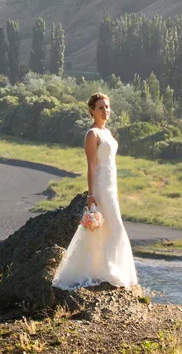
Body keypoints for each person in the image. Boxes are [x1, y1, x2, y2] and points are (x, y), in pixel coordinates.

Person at [51, 93, 139, 289]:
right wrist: (91, 195)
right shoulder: (93, 134)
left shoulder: (107, 133)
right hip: (99, 188)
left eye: (107, 107)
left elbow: (111, 164)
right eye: (100, 108)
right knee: (114, 229)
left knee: (109, 230)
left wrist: (115, 190)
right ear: (92, 111)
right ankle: (106, 270)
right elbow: (91, 166)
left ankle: (103, 269)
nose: (105, 111)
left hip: (110, 187)